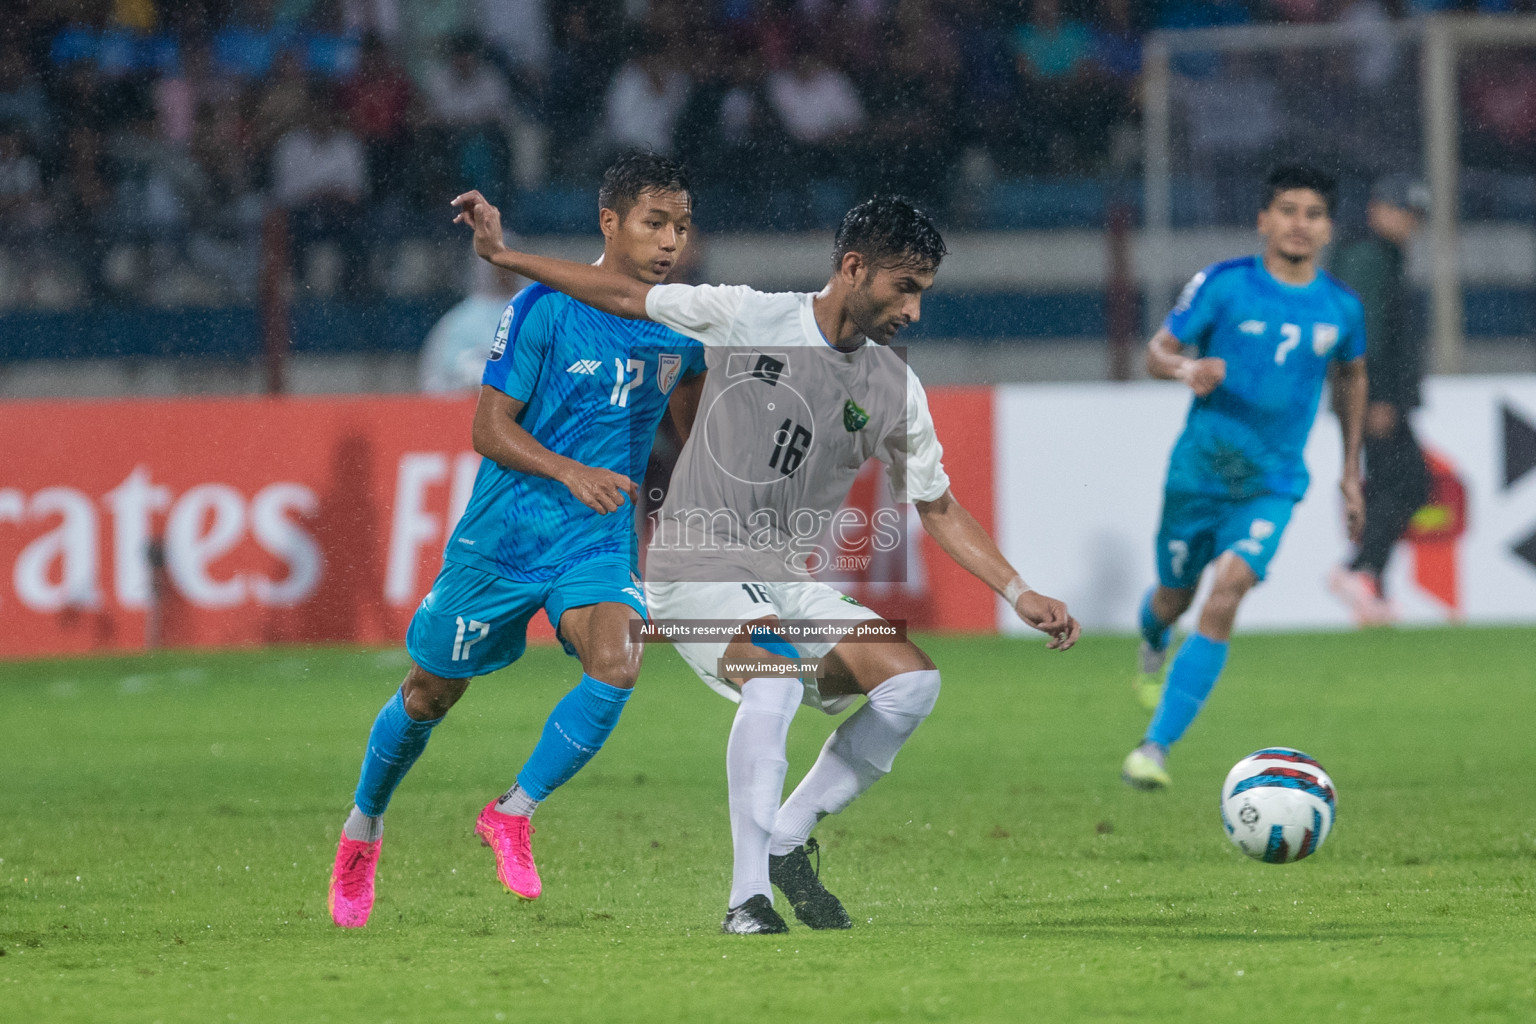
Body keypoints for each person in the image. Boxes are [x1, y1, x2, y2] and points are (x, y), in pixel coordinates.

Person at [450, 189, 1082, 935]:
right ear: (853, 269)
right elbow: (625, 293)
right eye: (904, 287)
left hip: (786, 581)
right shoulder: (750, 315)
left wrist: (1018, 589)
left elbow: (936, 504)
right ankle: (746, 900)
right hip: (696, 566)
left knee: (911, 682)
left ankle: (787, 839)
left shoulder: (892, 385)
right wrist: (505, 257)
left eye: (923, 292)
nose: (915, 309)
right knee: (776, 680)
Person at [328, 152, 706, 928]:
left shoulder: (685, 324)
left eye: (682, 226)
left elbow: (693, 429)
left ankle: (512, 811)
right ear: (611, 223)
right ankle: (363, 827)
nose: (672, 241)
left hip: (596, 541)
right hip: (503, 538)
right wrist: (571, 470)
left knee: (618, 660)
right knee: (431, 692)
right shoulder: (543, 309)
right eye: (654, 223)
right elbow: (487, 428)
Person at [1122, 164, 1367, 790]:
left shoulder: (1342, 307)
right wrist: (1186, 371)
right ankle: (1152, 638)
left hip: (1272, 483)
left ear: (1328, 228)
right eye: (1287, 210)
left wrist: (1348, 472)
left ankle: (1155, 748)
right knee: (1171, 597)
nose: (1299, 224)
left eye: (1312, 213)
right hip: (1198, 476)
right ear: (1264, 220)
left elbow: (1353, 377)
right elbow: (1156, 351)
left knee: (1227, 591)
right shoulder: (1224, 285)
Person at [1327, 175, 1431, 625]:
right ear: (1376, 210)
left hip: (1371, 392)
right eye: (1401, 211)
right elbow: (1366, 331)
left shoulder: (1379, 255)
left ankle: (1368, 579)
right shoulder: (1369, 257)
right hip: (1371, 394)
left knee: (1394, 481)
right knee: (1405, 480)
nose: (1408, 222)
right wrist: (1378, 396)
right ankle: (1360, 570)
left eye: (1413, 215)